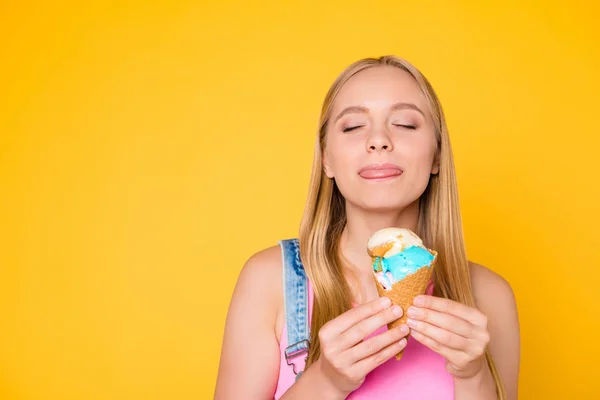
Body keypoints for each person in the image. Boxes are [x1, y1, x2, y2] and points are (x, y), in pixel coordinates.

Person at [214, 55, 520, 399]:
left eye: (405, 124)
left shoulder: (489, 296)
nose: (378, 140)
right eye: (352, 126)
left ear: (436, 155)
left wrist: (473, 376)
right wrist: (326, 381)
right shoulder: (270, 280)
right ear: (326, 158)